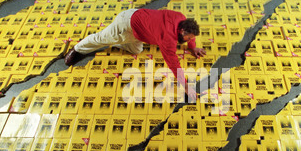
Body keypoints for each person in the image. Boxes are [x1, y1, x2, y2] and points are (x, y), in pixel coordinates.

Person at [64, 8, 206, 102]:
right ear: (182, 31)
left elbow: (190, 36)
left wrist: (193, 47)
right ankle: (77, 49)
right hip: (126, 23)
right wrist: (186, 87)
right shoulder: (168, 39)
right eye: (188, 39)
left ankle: (117, 41)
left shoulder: (182, 18)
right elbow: (174, 64)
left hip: (139, 28)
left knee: (137, 50)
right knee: (101, 39)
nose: (188, 41)